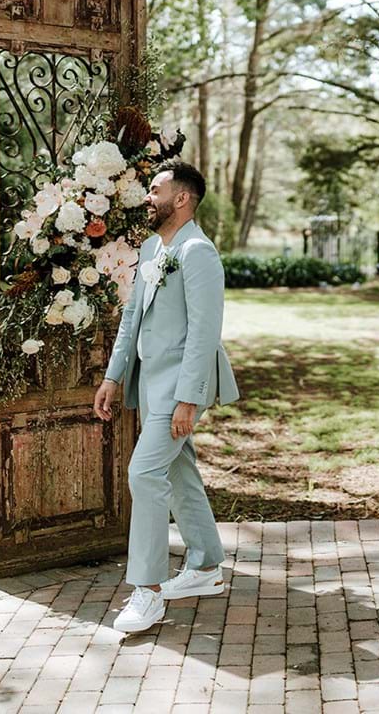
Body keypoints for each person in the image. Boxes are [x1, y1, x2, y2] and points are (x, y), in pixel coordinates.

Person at [93, 159, 239, 634]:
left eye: (155, 190)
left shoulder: (199, 252)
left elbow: (204, 331)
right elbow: (132, 316)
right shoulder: (154, 246)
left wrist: (188, 399)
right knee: (178, 472)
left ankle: (148, 592)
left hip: (178, 387)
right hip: (148, 384)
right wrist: (114, 378)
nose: (147, 197)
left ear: (182, 198)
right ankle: (205, 565)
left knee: (144, 471)